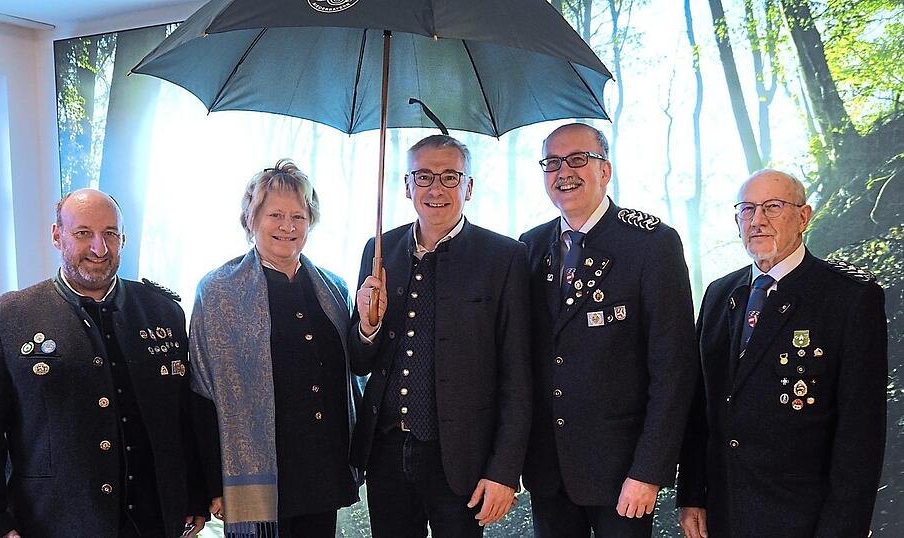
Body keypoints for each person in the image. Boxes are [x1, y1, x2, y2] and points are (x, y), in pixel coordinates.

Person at [0, 189, 208, 538]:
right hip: (54, 521)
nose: (99, 248)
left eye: (110, 233)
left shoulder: (162, 311)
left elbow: (182, 415)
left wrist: (194, 494)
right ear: (57, 235)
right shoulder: (8, 319)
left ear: (123, 238)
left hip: (154, 519)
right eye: (83, 233)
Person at [676, 169, 888, 538]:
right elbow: (700, 405)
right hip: (724, 512)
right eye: (747, 209)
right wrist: (692, 494)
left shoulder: (848, 297)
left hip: (804, 517)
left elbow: (861, 430)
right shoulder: (719, 294)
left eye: (772, 207)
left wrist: (843, 528)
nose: (757, 220)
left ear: (803, 217)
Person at [518, 123, 698, 537]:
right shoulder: (530, 246)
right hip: (549, 470)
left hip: (623, 472)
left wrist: (649, 470)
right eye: (552, 163)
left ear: (606, 170)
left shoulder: (651, 243)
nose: (564, 172)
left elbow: (674, 369)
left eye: (578, 159)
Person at [350, 134, 532, 536]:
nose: (436, 189)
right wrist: (367, 325)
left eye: (450, 177)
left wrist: (504, 471)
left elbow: (518, 375)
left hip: (463, 459)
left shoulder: (504, 257)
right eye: (424, 176)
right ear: (407, 185)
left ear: (469, 187)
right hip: (386, 452)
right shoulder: (379, 249)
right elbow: (360, 363)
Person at [188, 160, 361, 538]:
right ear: (251, 219)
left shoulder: (335, 289)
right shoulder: (218, 291)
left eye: (298, 216)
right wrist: (212, 484)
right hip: (258, 479)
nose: (288, 226)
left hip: (322, 470)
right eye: (276, 215)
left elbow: (351, 380)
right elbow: (202, 392)